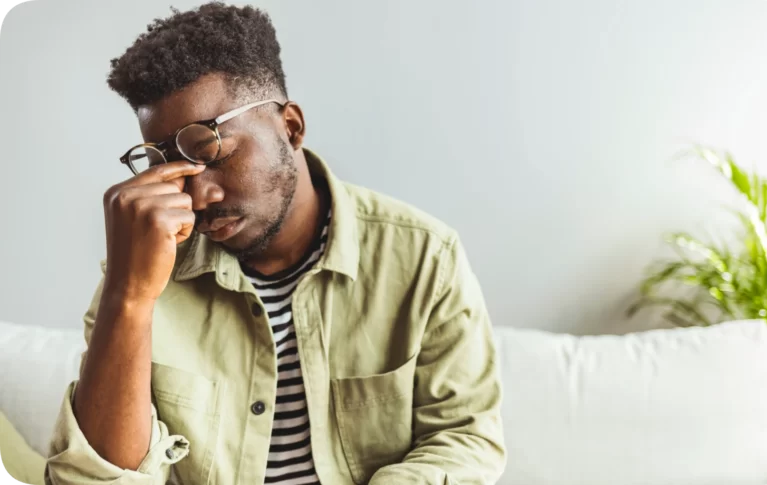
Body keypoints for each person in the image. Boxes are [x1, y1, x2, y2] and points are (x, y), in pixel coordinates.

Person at [45, 3, 505, 484]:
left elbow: (465, 440)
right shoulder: (143, 275)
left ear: (291, 128)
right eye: (168, 168)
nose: (199, 195)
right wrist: (129, 295)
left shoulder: (424, 259)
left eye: (212, 154)